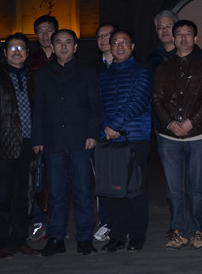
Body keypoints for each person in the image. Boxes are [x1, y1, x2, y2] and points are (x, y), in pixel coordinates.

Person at [33, 29, 101, 256]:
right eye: (59, 42)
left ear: (75, 47)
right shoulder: (43, 74)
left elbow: (95, 107)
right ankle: (55, 238)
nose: (63, 46)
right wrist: (38, 139)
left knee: (82, 192)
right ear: (52, 47)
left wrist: (92, 134)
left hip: (80, 141)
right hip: (52, 142)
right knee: (55, 194)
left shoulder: (87, 72)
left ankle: (85, 238)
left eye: (68, 42)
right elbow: (38, 109)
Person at [147, 10, 202, 236]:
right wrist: (168, 124)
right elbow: (155, 98)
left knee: (198, 183)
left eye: (169, 26)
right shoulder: (157, 61)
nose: (165, 31)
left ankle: (200, 224)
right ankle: (178, 225)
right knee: (174, 185)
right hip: (167, 131)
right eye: (161, 27)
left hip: (197, 130)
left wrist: (190, 122)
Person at [0, 33, 37, 258]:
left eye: (21, 48)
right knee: (1, 196)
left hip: (27, 144)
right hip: (1, 146)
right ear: (4, 52)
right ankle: (1, 241)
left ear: (27, 53)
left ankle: (19, 239)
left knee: (23, 196)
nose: (17, 52)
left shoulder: (31, 77)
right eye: (12, 48)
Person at [98, 30, 152, 253]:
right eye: (115, 43)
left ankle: (137, 236)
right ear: (110, 47)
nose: (119, 46)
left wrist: (114, 125)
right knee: (114, 191)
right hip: (111, 140)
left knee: (135, 190)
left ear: (133, 46)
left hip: (135, 138)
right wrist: (105, 127)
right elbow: (99, 106)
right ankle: (118, 236)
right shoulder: (103, 76)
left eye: (124, 42)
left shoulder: (142, 71)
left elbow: (137, 101)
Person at [27, 14, 58, 242]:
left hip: (62, 127)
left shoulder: (66, 57)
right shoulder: (30, 62)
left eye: (49, 30)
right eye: (40, 31)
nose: (45, 35)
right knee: (37, 175)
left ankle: (56, 222)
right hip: (37, 125)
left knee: (59, 177)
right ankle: (39, 220)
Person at [92, 22, 117, 244]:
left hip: (124, 133)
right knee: (103, 182)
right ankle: (106, 221)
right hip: (99, 134)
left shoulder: (128, 64)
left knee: (126, 180)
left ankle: (124, 221)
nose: (103, 40)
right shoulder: (91, 69)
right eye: (99, 36)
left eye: (108, 35)